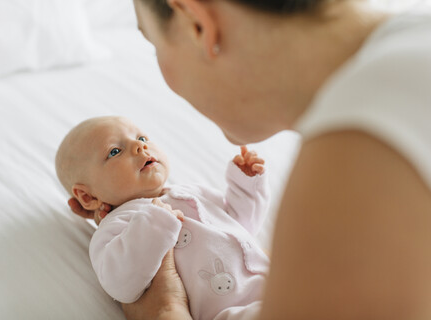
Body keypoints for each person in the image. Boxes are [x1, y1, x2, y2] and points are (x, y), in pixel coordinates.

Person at [70, 0, 431, 319]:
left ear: (196, 23)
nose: (139, 147)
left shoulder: (358, 147)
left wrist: (166, 312)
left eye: (152, 44)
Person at [56, 116, 271, 320]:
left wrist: (246, 187)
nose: (140, 146)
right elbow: (121, 284)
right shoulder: (115, 227)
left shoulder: (193, 192)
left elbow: (242, 225)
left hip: (276, 285)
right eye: (115, 151)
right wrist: (153, 225)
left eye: (141, 138)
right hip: (232, 312)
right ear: (87, 195)